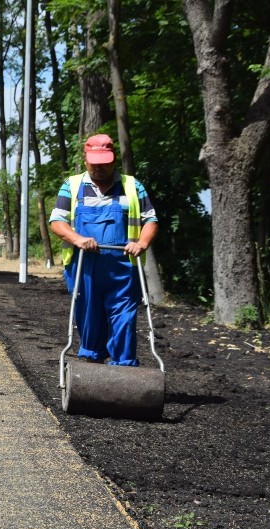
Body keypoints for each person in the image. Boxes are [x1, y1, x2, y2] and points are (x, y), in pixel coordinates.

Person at [49, 133, 158, 366]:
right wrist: (77, 239)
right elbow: (57, 221)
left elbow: (151, 220)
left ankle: (124, 366)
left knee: (124, 316)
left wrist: (141, 243)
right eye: (94, 162)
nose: (99, 167)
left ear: (113, 159)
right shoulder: (72, 185)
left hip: (123, 266)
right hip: (84, 266)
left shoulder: (131, 186)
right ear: (86, 159)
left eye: (104, 162)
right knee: (89, 315)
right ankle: (92, 364)